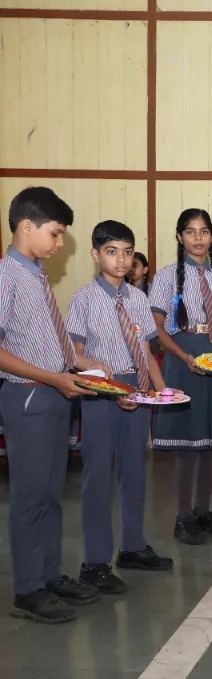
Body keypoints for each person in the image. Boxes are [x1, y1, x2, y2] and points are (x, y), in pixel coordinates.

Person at [1, 187, 108, 623]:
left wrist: (89, 367)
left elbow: (53, 344)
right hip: (29, 396)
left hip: (55, 393)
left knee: (50, 492)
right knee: (29, 496)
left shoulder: (38, 276)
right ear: (27, 227)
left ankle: (48, 574)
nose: (59, 243)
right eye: (55, 233)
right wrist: (52, 378)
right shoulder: (7, 276)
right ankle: (28, 589)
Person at [66, 220, 174, 595]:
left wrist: (161, 391)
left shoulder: (138, 299)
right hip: (100, 392)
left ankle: (131, 546)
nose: (121, 260)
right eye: (112, 252)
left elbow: (146, 350)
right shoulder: (83, 298)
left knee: (134, 473)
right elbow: (73, 354)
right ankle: (94, 562)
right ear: (96, 255)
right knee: (98, 478)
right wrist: (106, 379)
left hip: (138, 389)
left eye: (128, 252)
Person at [149, 208, 212, 545]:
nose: (198, 238)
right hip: (183, 357)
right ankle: (183, 516)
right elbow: (158, 329)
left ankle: (203, 511)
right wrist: (182, 356)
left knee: (210, 444)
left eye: (204, 231)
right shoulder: (165, 277)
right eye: (190, 232)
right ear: (179, 237)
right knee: (188, 446)